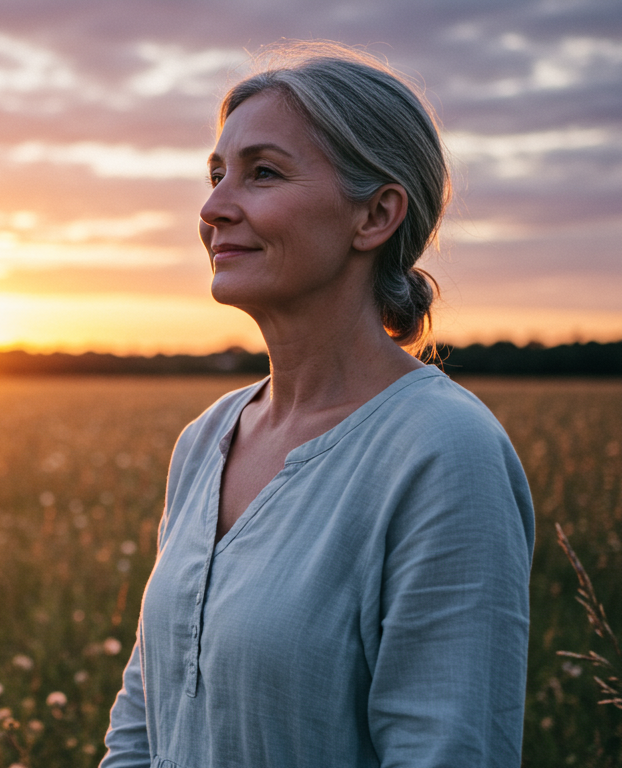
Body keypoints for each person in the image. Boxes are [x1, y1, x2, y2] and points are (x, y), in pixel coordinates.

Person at [100, 42, 534, 767]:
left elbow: (446, 750)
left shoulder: (443, 452)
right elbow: (143, 722)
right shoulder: (206, 440)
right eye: (216, 175)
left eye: (262, 173)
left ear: (376, 215)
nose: (212, 209)